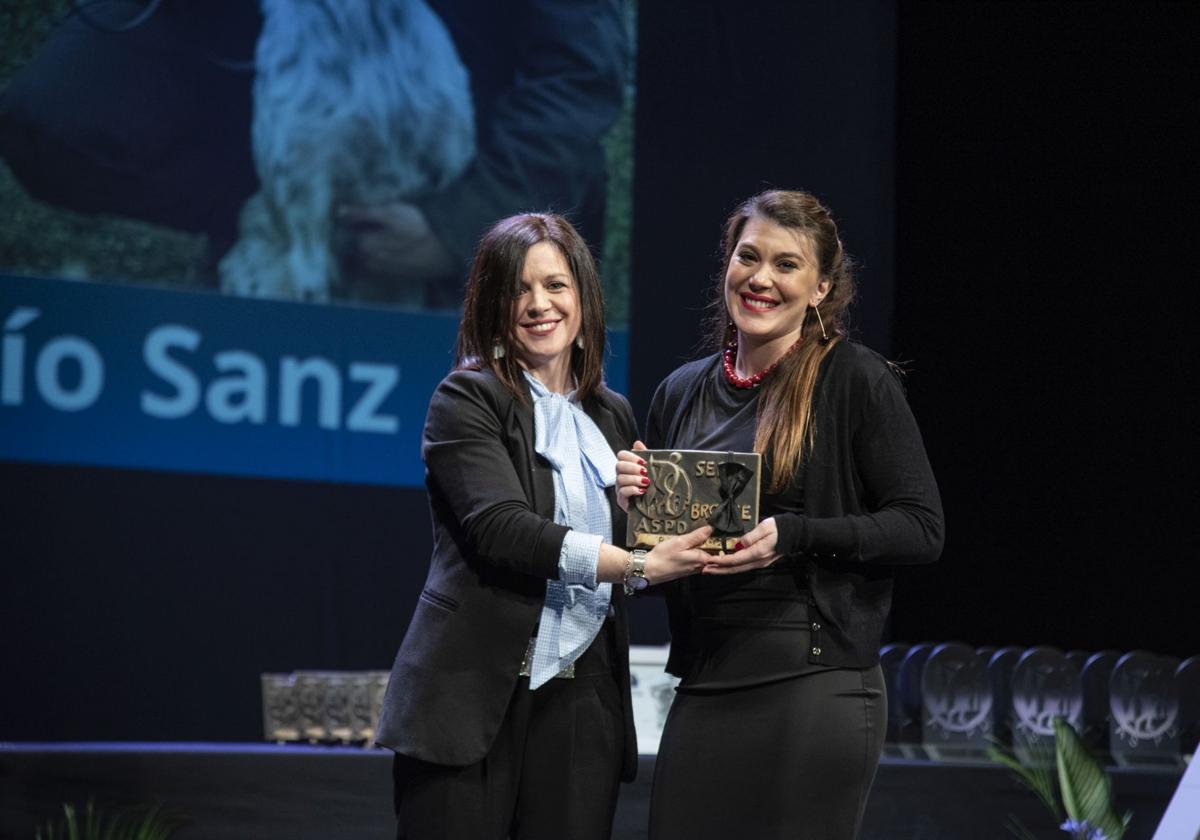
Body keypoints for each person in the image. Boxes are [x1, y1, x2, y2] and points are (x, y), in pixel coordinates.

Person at [615, 190, 944, 840]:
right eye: (749, 256)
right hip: (708, 677)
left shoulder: (853, 380)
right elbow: (659, 563)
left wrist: (793, 535)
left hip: (814, 681)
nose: (761, 278)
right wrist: (634, 509)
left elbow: (920, 526)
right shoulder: (680, 392)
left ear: (820, 287)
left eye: (786, 265)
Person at [373, 212, 712, 840]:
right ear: (493, 307)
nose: (538, 304)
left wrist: (643, 523)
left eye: (555, 285)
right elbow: (503, 529)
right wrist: (635, 564)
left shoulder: (612, 414)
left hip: (583, 702)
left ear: (583, 297)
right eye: (518, 289)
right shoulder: (467, 397)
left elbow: (622, 545)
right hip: (472, 695)